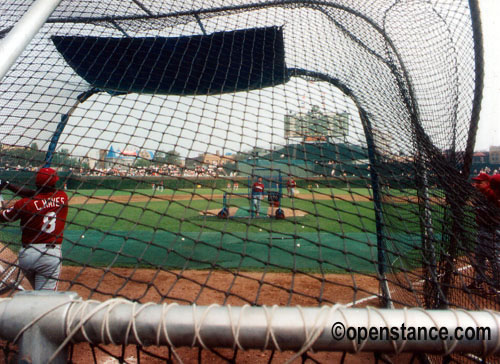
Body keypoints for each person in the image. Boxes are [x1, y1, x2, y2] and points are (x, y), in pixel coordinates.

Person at [0, 168, 68, 290]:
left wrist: (7, 186)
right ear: (54, 183)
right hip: (49, 256)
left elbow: (3, 217)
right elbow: (35, 195)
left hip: (27, 257)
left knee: (39, 293)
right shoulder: (62, 197)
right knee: (45, 299)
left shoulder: (24, 204)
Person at [468, 172, 500, 299]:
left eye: (479, 182)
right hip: (482, 229)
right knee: (480, 256)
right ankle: (478, 282)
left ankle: (497, 287)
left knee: (494, 258)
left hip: (492, 230)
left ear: (488, 184)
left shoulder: (493, 195)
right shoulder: (480, 195)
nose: (476, 184)